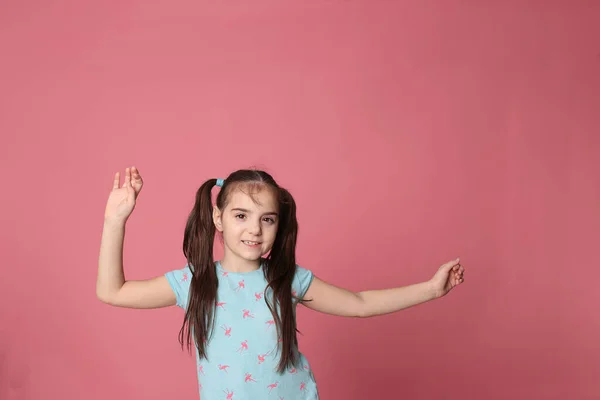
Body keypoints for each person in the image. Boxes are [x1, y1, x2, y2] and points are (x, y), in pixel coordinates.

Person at [97, 166, 466, 399]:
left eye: (267, 219)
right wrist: (115, 221)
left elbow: (359, 303)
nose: (254, 230)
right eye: (241, 215)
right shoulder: (195, 282)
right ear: (219, 218)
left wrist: (431, 289)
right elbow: (111, 291)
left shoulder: (286, 279)